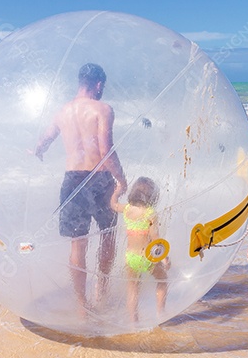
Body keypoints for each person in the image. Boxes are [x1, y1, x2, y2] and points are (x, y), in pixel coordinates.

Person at [34, 63, 127, 311]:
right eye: (102, 87)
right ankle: (102, 293)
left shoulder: (61, 112)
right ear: (98, 84)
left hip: (72, 179)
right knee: (108, 235)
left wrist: (37, 150)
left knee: (78, 243)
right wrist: (122, 179)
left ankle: (81, 304)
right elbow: (106, 150)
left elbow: (45, 140)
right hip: (99, 178)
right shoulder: (102, 109)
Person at [111, 177, 169, 323]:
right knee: (162, 280)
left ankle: (133, 322)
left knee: (132, 289)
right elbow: (155, 238)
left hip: (130, 257)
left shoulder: (126, 209)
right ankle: (161, 315)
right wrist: (164, 258)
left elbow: (113, 205)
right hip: (147, 257)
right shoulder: (150, 213)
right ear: (152, 196)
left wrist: (116, 192)